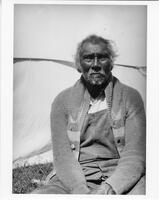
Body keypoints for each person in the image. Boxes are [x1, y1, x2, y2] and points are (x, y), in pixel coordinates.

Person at [32, 35, 146, 194]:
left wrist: (110, 188)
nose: (96, 65)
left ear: (111, 63)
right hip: (76, 173)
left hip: (119, 171)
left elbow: (135, 155)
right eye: (88, 58)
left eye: (102, 58)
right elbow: (63, 158)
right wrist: (81, 191)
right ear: (79, 65)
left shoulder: (130, 97)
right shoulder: (62, 102)